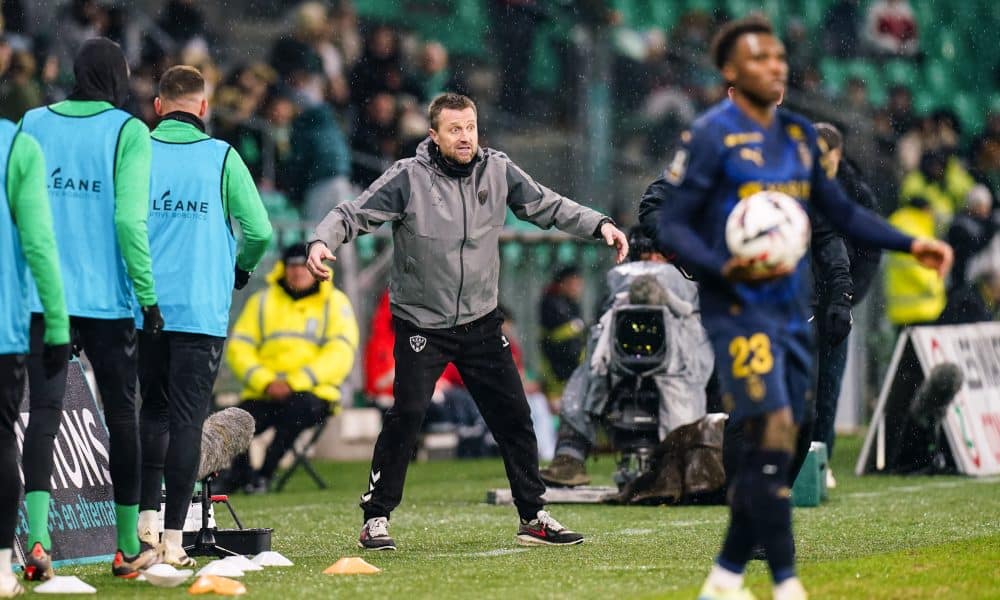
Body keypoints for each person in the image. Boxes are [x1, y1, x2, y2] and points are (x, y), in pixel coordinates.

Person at [649, 17, 952, 600]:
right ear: (734, 78)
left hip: (794, 305)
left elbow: (840, 213)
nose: (776, 67)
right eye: (761, 59)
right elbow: (661, 210)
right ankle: (776, 567)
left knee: (802, 427)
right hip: (739, 304)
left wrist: (910, 242)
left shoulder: (795, 140)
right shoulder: (710, 138)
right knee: (763, 420)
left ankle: (726, 575)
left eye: (778, 58)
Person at [306, 92, 628, 550]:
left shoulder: (498, 169)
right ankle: (375, 517)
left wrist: (599, 224)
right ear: (433, 135)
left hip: (480, 321)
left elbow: (547, 204)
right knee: (408, 414)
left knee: (515, 416)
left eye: (471, 127)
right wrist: (323, 242)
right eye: (455, 129)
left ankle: (533, 516)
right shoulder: (407, 178)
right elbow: (351, 214)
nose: (465, 137)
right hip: (421, 323)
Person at [18, 37, 163, 578]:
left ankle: (36, 541)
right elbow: (129, 222)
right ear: (118, 78)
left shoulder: (32, 122)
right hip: (107, 300)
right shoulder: (128, 130)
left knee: (44, 414)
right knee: (122, 415)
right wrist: (148, 296)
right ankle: (127, 547)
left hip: (42, 295)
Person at [135, 66, 272, 567]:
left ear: (157, 107)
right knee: (188, 423)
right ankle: (174, 541)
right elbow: (259, 230)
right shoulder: (222, 157)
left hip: (144, 308)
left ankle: (142, 527)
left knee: (151, 413)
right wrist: (241, 268)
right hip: (199, 311)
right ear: (204, 109)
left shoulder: (137, 151)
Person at [541, 228, 711, 487]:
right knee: (586, 377)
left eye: (657, 256)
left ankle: (684, 465)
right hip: (619, 364)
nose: (651, 263)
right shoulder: (618, 292)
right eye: (645, 256)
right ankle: (570, 457)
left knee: (686, 392)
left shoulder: (689, 288)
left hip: (677, 367)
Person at [225, 243, 359, 493]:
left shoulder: (335, 303)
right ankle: (241, 474)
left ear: (316, 268)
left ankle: (265, 473)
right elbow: (239, 348)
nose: (298, 272)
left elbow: (340, 353)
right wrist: (265, 382)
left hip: (315, 395)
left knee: (297, 410)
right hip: (265, 392)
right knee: (234, 419)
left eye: (304, 266)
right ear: (283, 269)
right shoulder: (261, 302)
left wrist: (294, 383)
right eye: (292, 266)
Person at [0, 121, 69, 594]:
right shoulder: (17, 146)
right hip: (6, 321)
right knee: (2, 437)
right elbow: (40, 245)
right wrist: (59, 324)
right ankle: (2, 565)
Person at [811, 123, 884, 488]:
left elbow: (870, 252)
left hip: (838, 300)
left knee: (828, 384)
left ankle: (820, 460)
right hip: (802, 297)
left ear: (838, 155)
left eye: (825, 154)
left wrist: (849, 296)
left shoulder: (856, 195)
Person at [538, 265, 586, 407]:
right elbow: (555, 339)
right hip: (556, 372)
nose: (577, 288)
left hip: (573, 372)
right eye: (574, 283)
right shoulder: (551, 303)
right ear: (563, 283)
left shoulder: (573, 305)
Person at [946, 184, 997, 288]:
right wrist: (989, 233)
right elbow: (969, 248)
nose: (986, 210)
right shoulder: (960, 223)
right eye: (982, 206)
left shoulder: (984, 222)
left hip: (978, 276)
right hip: (960, 276)